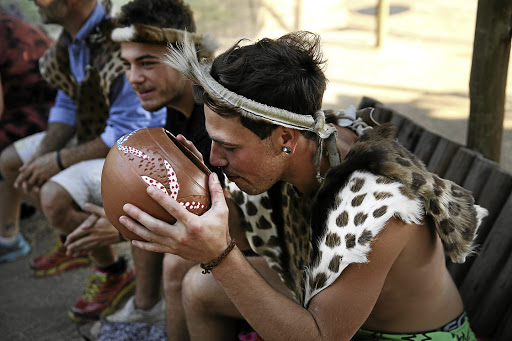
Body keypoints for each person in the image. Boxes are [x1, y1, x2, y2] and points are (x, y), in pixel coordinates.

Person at [119, 31, 488, 340]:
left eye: (229, 147)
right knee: (199, 288)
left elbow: (320, 337)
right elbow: (244, 232)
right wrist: (191, 187)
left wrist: (218, 256)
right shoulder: (307, 143)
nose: (214, 158)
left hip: (403, 337)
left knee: (214, 274)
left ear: (285, 138)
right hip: (328, 306)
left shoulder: (379, 206)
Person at [60, 0, 223, 338]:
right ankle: (147, 309)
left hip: (257, 237)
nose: (134, 77)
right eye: (127, 65)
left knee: (175, 259)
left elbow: (222, 208)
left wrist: (122, 230)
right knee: (147, 190)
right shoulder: (178, 105)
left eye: (147, 62)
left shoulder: (215, 111)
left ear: (187, 55)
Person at [0, 0, 167, 322]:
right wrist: (44, 154)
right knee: (15, 163)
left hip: (137, 147)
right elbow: (66, 104)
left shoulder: (118, 41)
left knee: (53, 193)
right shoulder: (71, 38)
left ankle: (112, 270)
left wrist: (57, 161)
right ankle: (73, 237)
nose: (36, 1)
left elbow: (126, 132)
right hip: (96, 132)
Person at [0, 9, 56, 262]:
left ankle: (7, 236)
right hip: (47, 107)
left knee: (3, 145)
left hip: (51, 114)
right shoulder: (12, 21)